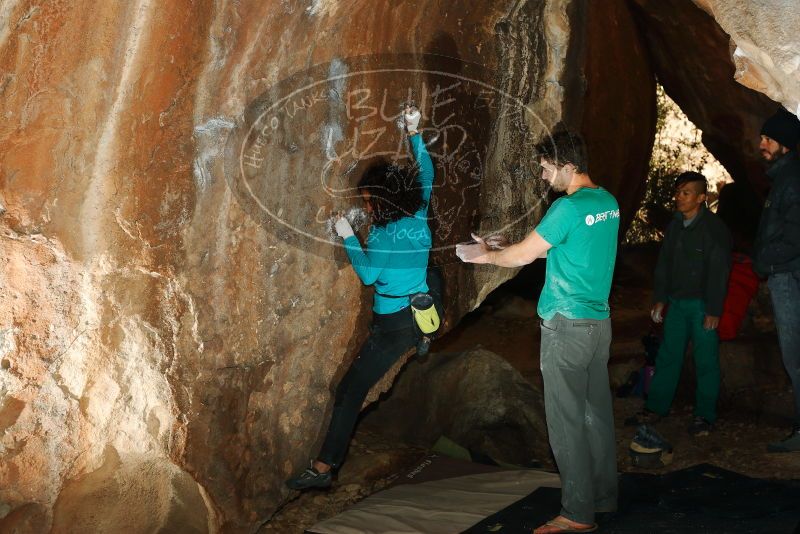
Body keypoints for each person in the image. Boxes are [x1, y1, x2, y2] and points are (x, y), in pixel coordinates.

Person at [457, 130, 619, 534]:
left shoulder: (567, 208)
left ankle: (577, 514)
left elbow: (524, 256)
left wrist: (485, 255)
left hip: (566, 325)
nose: (544, 177)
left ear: (567, 166)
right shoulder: (607, 203)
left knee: (565, 421)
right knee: (595, 414)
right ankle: (603, 496)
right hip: (598, 326)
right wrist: (505, 243)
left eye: (547, 169)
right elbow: (552, 246)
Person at [286, 106, 435, 489]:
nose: (366, 205)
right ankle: (424, 333)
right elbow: (427, 172)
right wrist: (414, 132)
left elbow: (369, 274)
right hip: (419, 303)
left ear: (382, 200)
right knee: (429, 274)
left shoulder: (383, 236)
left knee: (350, 390)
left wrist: (347, 233)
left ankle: (324, 468)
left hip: (392, 324)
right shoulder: (418, 211)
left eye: (369, 200)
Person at [630, 172, 732, 437]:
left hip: (701, 307)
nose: (678, 197)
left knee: (706, 361)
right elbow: (664, 264)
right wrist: (660, 298)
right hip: (676, 303)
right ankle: (656, 407)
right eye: (678, 192)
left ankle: (704, 416)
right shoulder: (676, 225)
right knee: (668, 356)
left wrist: (714, 310)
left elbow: (719, 272)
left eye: (685, 193)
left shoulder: (714, 229)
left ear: (701, 198)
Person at [753, 108, 800, 453]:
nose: (761, 144)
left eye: (767, 139)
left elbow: (796, 237)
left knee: (795, 357)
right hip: (784, 275)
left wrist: (764, 260)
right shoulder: (783, 179)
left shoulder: (792, 180)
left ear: (785, 144)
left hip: (789, 277)